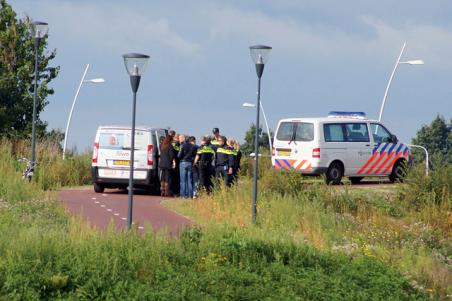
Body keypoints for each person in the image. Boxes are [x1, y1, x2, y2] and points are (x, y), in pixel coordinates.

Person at [178, 134, 197, 198]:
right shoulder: (193, 146)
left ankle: (183, 195)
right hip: (190, 163)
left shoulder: (182, 145)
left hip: (183, 163)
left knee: (183, 181)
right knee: (189, 180)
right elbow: (194, 155)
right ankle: (190, 195)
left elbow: (179, 155)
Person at [169, 130, 180, 196]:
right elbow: (178, 153)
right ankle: (175, 192)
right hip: (176, 162)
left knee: (171, 177)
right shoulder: (177, 144)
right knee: (176, 178)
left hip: (170, 162)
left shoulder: (170, 143)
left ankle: (171, 191)